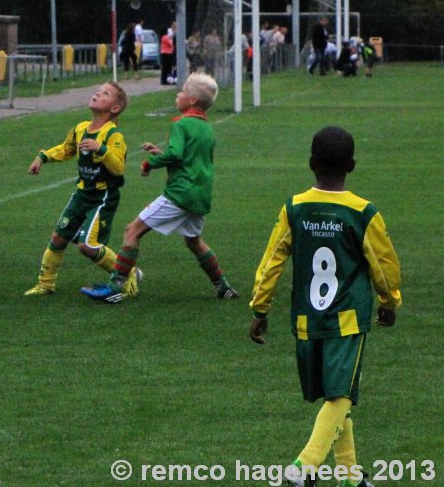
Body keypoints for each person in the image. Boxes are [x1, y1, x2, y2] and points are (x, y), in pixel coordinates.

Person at [248, 126, 401, 487]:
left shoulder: (294, 208)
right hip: (346, 320)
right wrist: (389, 301)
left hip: (305, 319)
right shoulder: (363, 212)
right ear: (352, 165)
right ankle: (304, 467)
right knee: (341, 395)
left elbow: (272, 262)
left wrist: (260, 309)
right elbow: (384, 266)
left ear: (311, 163)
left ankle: (349, 475)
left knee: (337, 393)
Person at [82, 73, 238, 303]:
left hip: (180, 193)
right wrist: (160, 153)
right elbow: (189, 159)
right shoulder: (207, 128)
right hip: (200, 194)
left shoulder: (181, 123)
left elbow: (176, 154)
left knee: (132, 231)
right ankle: (223, 286)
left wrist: (149, 163)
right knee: (194, 241)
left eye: (183, 91)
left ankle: (115, 286)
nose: (178, 94)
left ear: (192, 101)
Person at [24, 82, 141, 297]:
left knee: (87, 245)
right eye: (98, 90)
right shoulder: (80, 128)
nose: (97, 93)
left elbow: (118, 168)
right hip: (81, 194)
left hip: (103, 197)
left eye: (105, 93)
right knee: (58, 238)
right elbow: (66, 149)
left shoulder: (113, 136)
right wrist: (43, 157)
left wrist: (102, 150)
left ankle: (128, 273)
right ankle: (45, 284)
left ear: (114, 109)